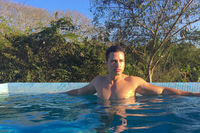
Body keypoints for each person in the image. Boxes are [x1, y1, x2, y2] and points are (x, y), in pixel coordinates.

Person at [66, 45, 200, 100]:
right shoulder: (98, 81)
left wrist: (193, 94)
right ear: (106, 63)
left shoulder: (133, 82)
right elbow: (79, 92)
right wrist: (56, 94)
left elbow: (163, 91)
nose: (118, 65)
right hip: (103, 122)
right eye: (113, 61)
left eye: (121, 61)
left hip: (126, 122)